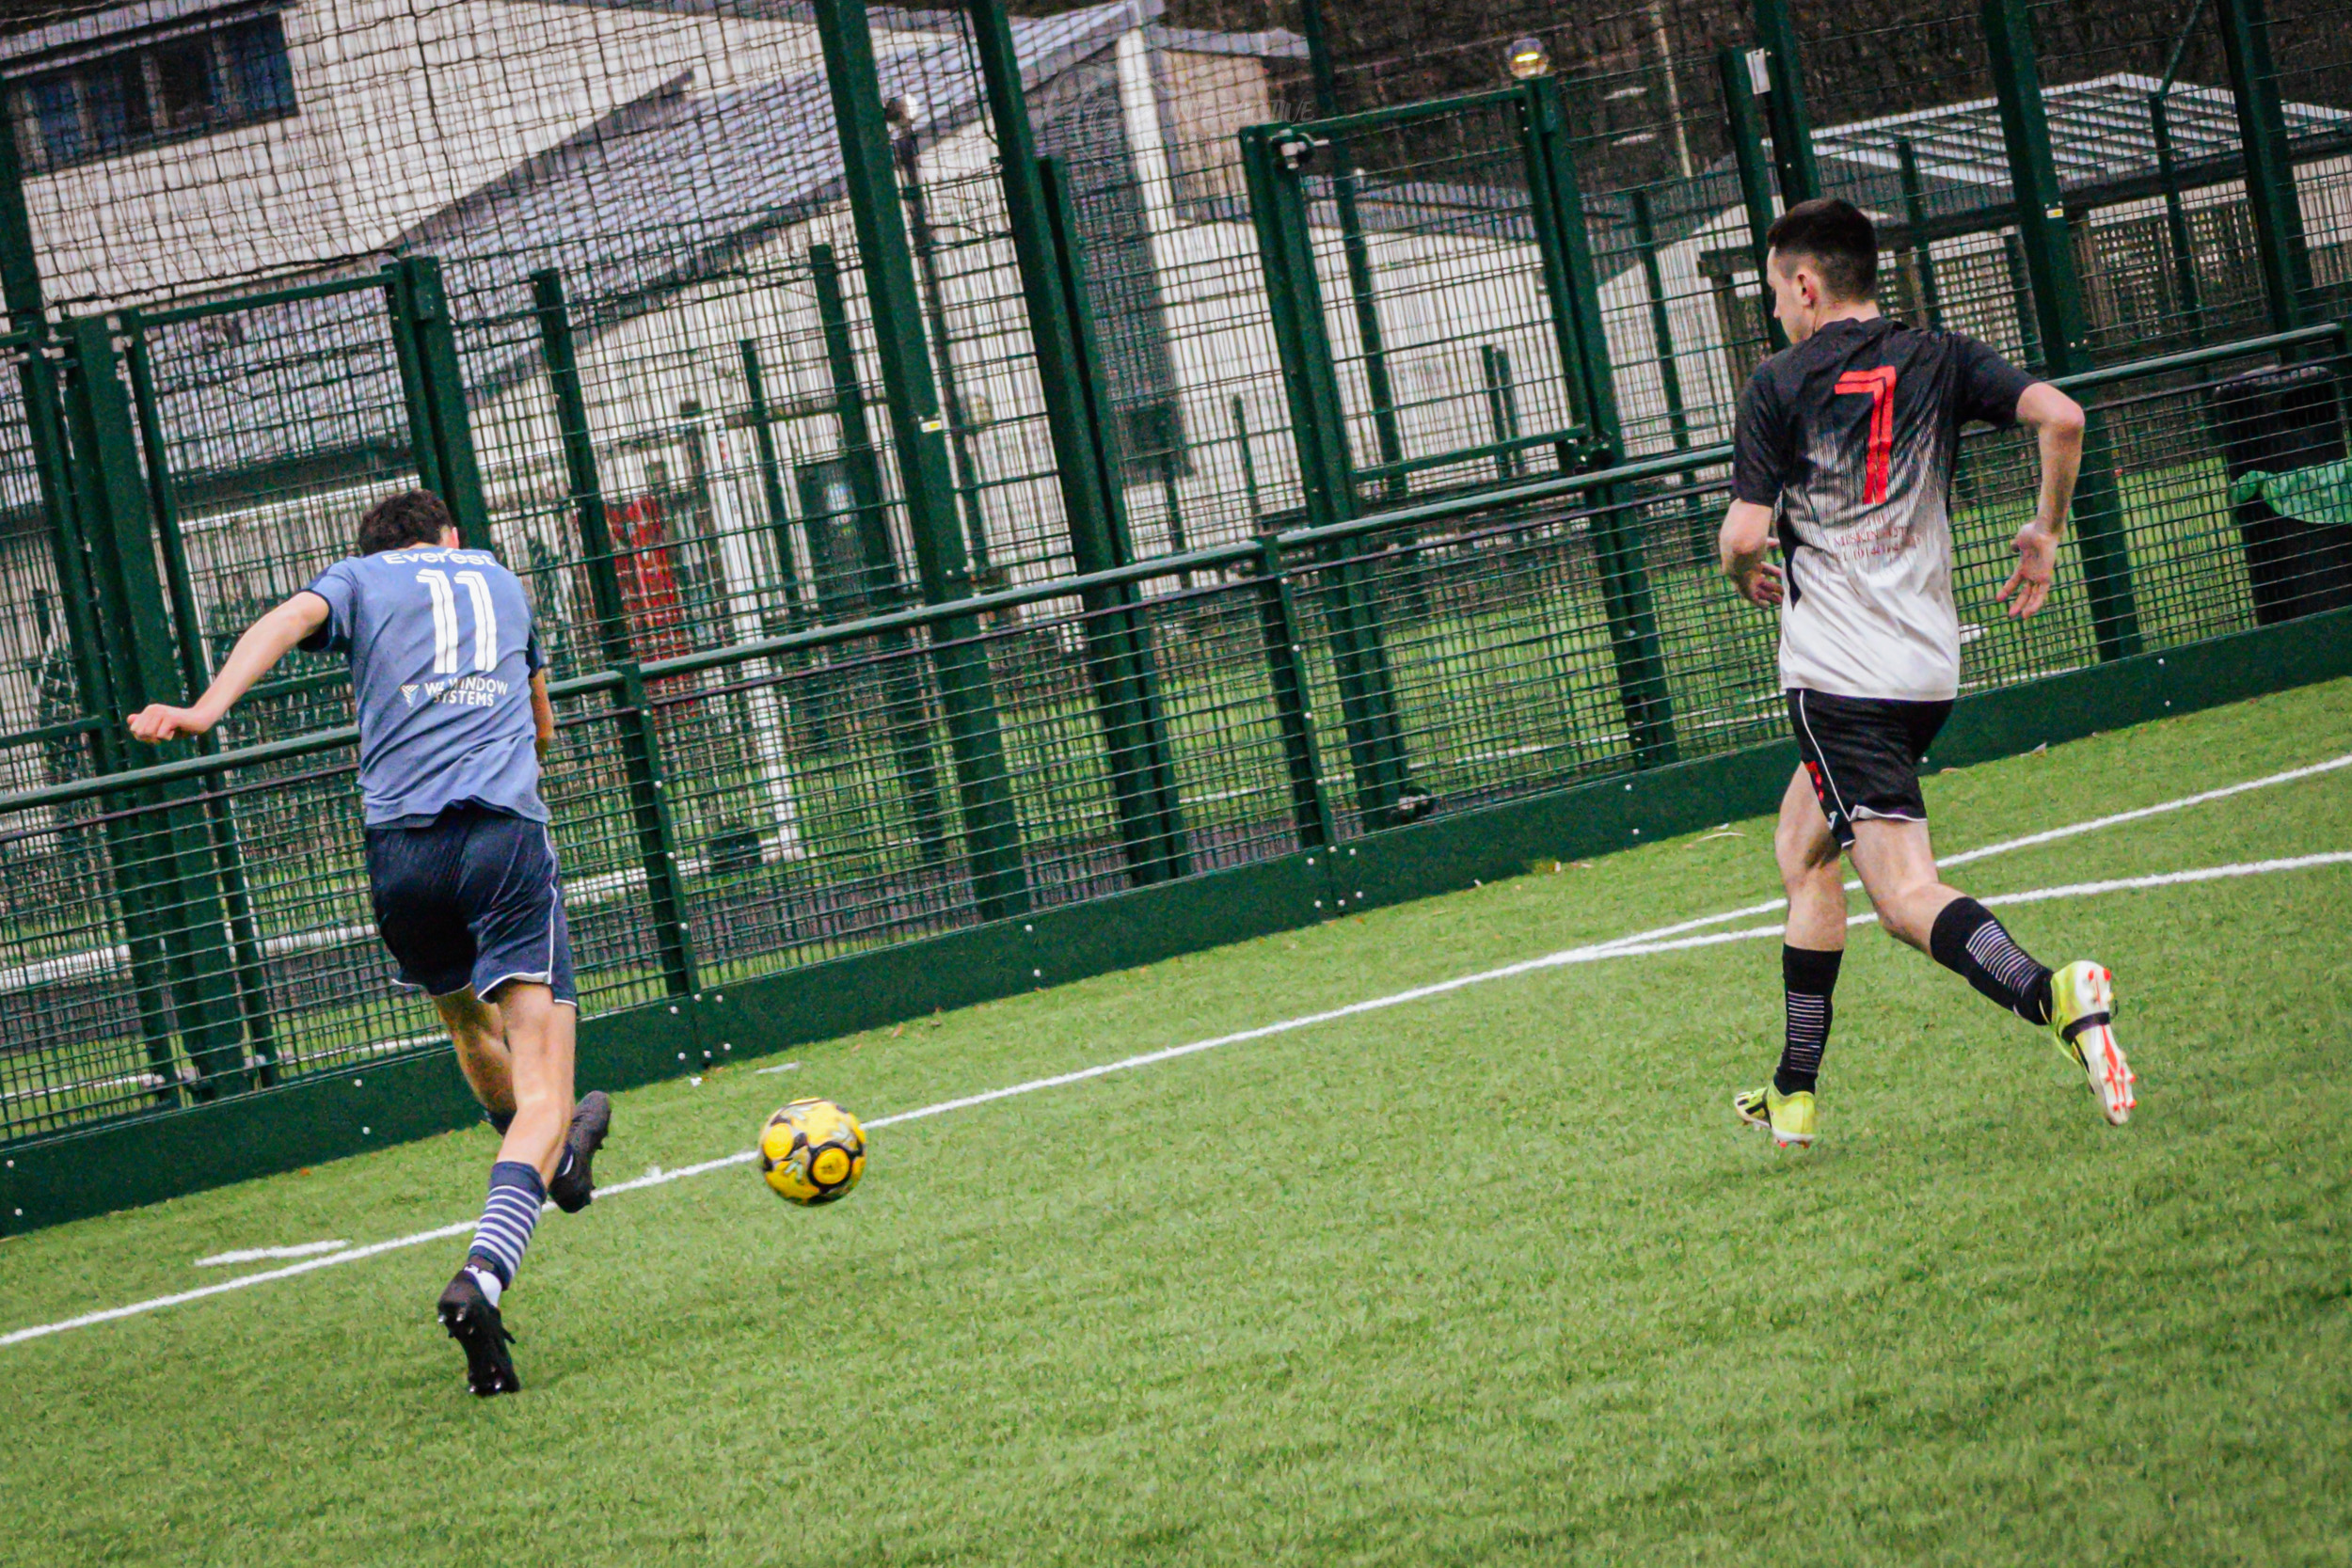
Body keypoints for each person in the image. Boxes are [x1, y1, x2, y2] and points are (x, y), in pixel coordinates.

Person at [128, 489, 612, 1394]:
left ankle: (554, 1161)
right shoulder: (502, 578)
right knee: (549, 1088)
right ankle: (488, 1268)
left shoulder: (356, 580)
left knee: (468, 1023)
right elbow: (543, 728)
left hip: (401, 859)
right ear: (451, 538)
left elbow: (285, 618)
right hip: (502, 839)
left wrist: (202, 710)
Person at [1716, 198, 2136, 1148]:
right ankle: (1793, 1087)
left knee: (1905, 896)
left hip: (1836, 676)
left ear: (1807, 284)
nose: (1775, 310)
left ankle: (2052, 995)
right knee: (1801, 848)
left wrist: (1742, 566)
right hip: (1923, 669)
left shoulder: (1778, 382)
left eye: (1775, 291)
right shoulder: (1941, 355)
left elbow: (1743, 534)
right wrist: (2046, 528)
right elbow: (2061, 418)